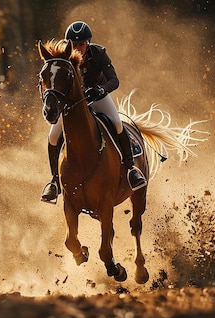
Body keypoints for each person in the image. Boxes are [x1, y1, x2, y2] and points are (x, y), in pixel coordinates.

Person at [41, 21, 147, 202]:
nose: (78, 48)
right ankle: (54, 181)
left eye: (81, 44)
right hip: (74, 105)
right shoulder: (63, 60)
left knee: (117, 124)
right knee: (53, 136)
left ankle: (131, 169)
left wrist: (100, 89)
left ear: (88, 43)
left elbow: (114, 80)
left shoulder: (99, 54)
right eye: (74, 45)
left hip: (98, 98)